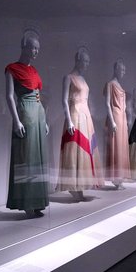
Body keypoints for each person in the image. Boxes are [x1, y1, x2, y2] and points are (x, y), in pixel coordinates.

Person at [4, 29, 49, 217]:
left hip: (38, 114)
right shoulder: (12, 68)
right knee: (26, 157)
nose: (36, 52)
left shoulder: (34, 70)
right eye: (33, 48)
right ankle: (25, 201)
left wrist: (44, 120)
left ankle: (37, 201)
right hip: (25, 114)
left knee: (37, 158)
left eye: (38, 48)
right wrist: (16, 121)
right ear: (24, 47)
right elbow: (9, 96)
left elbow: (39, 96)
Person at [56, 46, 104, 200]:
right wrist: (69, 120)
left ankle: (81, 185)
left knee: (85, 151)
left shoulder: (83, 79)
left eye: (88, 61)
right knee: (75, 149)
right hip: (75, 115)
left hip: (86, 116)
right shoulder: (68, 77)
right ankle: (73, 186)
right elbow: (64, 100)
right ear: (77, 60)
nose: (87, 64)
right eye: (85, 61)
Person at [104, 59, 130, 189]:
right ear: (115, 69)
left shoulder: (119, 85)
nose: (123, 72)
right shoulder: (110, 84)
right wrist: (112, 121)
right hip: (115, 116)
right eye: (121, 69)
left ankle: (120, 177)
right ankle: (116, 177)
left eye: (124, 70)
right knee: (116, 147)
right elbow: (107, 103)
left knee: (122, 147)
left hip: (122, 117)